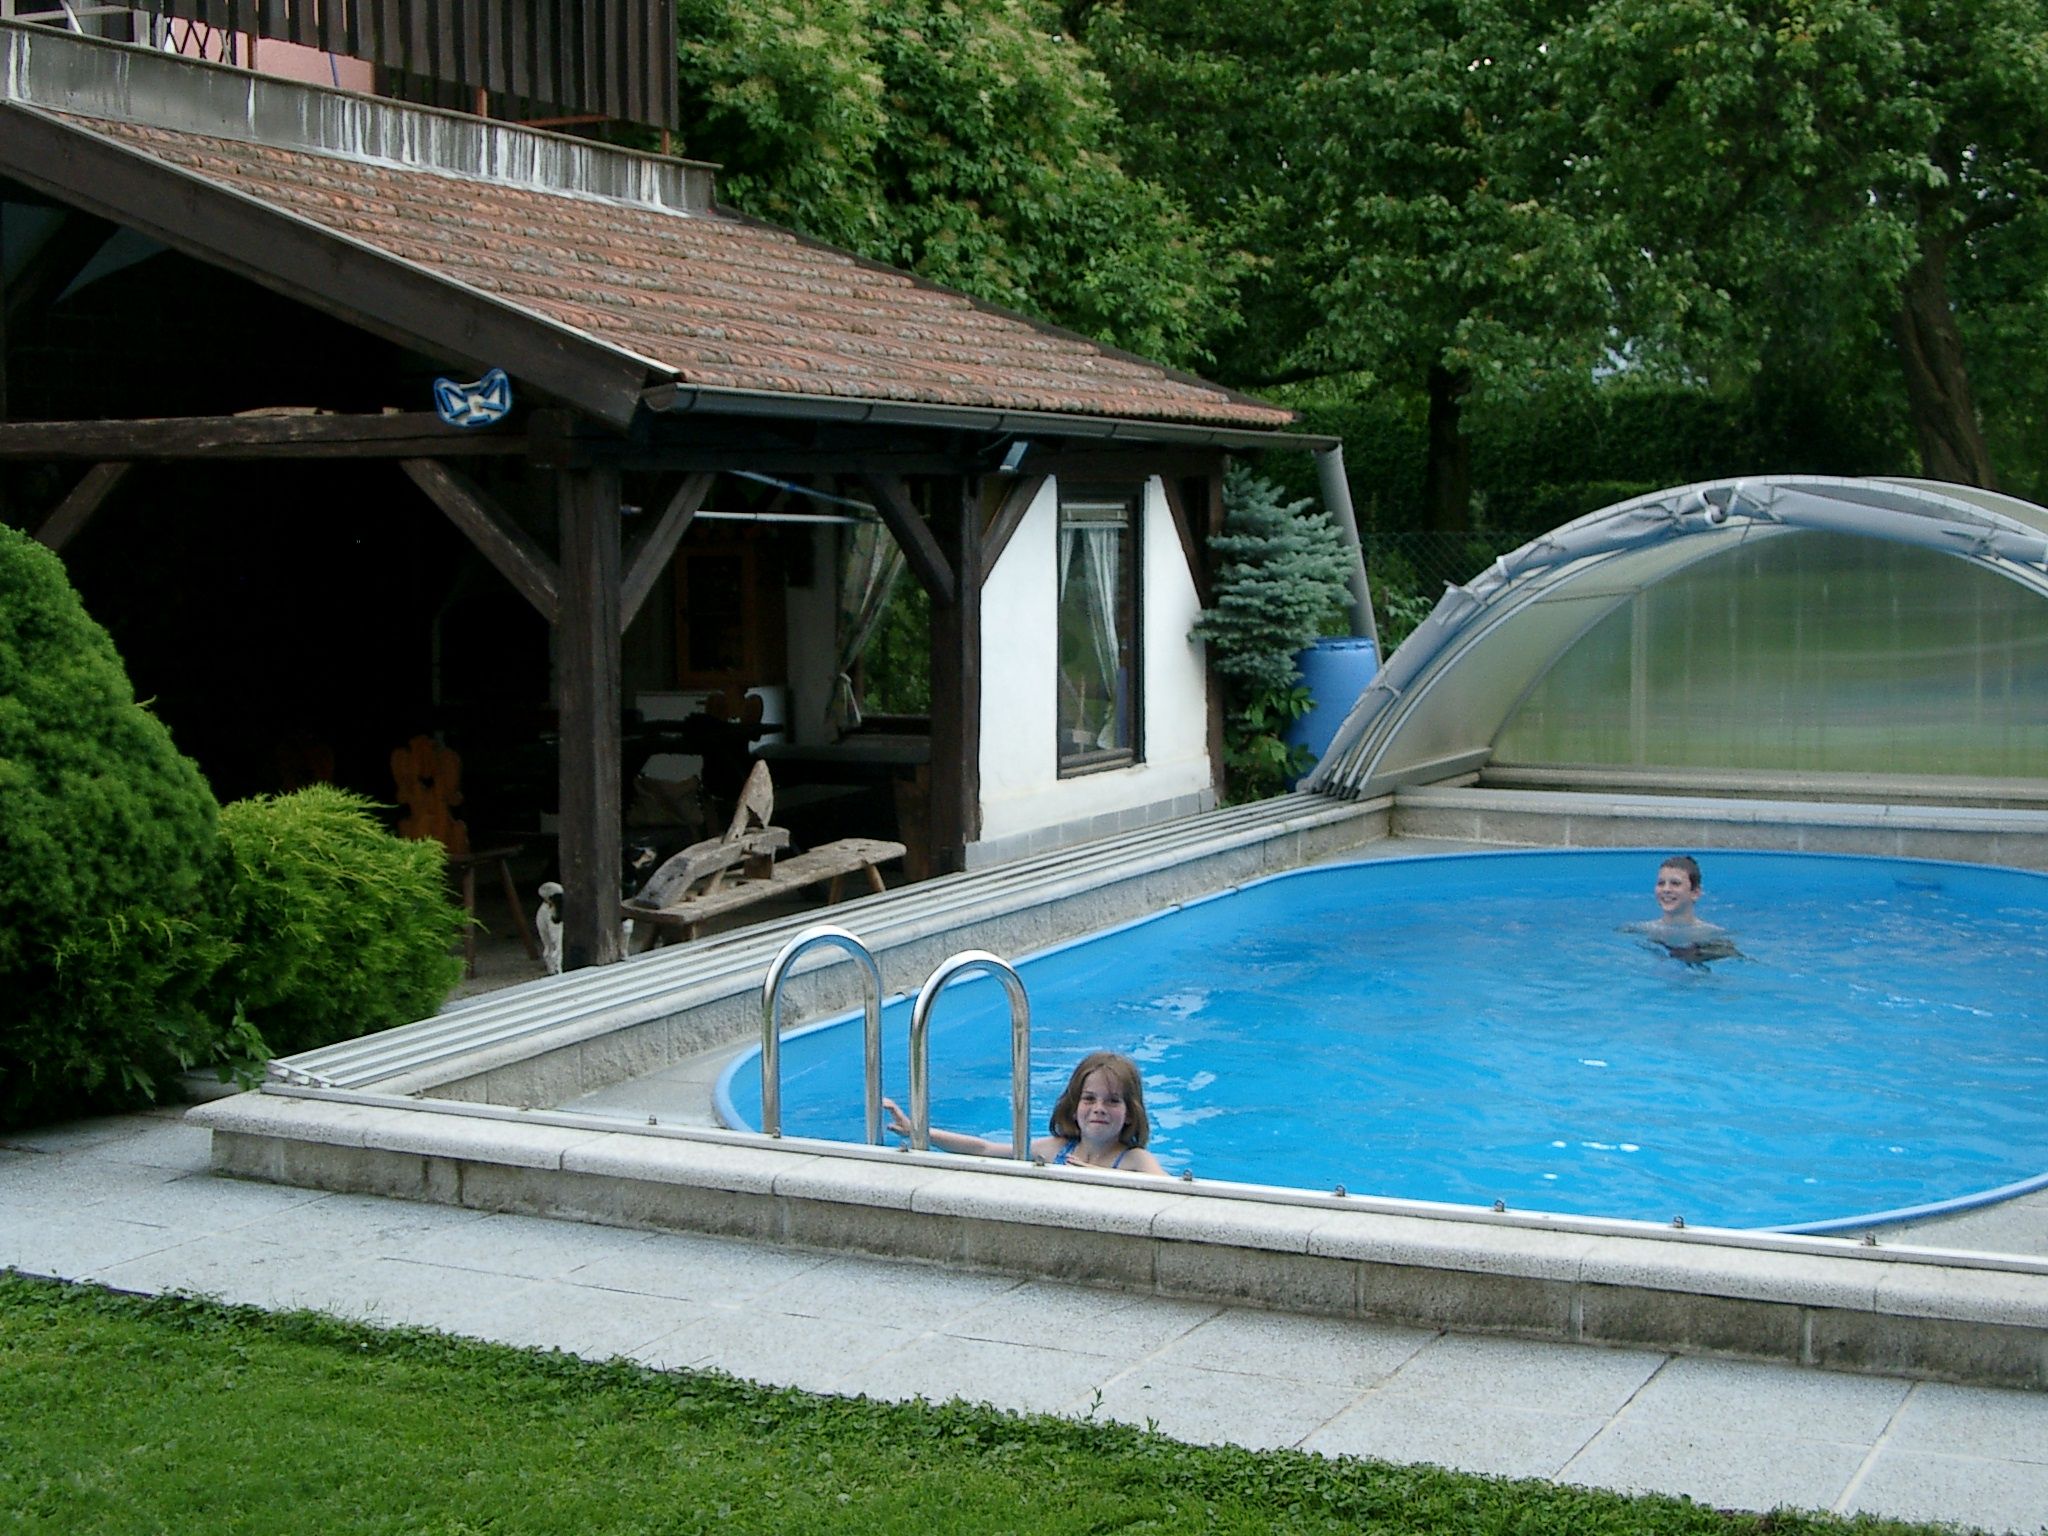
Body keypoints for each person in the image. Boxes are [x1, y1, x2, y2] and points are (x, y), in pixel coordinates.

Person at [883, 1050, 1168, 1176]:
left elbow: (1174, 1192)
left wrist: (1103, 1176)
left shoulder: (1134, 1161)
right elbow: (985, 1148)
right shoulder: (1055, 1150)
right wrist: (918, 1131)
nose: (1098, 1109)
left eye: (1112, 1101)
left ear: (1130, 1113)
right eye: (1089, 1098)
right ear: (1075, 1105)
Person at [1622, 854, 1742, 965]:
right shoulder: (1637, 931)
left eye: (1675, 883)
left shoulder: (1713, 936)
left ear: (1695, 893)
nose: (1666, 889)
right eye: (1661, 883)